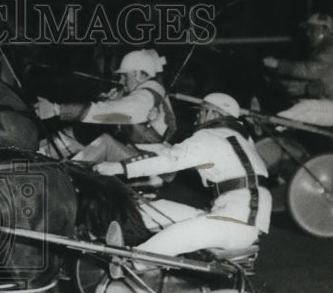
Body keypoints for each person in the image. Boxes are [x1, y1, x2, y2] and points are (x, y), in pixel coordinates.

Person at [94, 93, 270, 259]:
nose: (197, 117)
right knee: (153, 209)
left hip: (238, 222)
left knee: (177, 234)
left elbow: (171, 159)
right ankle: (130, 246)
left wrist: (119, 167)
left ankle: (129, 263)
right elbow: (171, 153)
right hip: (233, 215)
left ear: (213, 113)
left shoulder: (212, 136)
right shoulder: (237, 139)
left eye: (201, 112)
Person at [34, 48, 176, 160]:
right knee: (87, 129)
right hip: (136, 150)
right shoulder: (145, 90)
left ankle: (71, 181)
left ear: (139, 74)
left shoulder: (145, 98)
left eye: (124, 76)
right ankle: (40, 151)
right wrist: (107, 99)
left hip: (152, 163)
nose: (121, 81)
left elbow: (107, 113)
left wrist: (57, 109)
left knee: (104, 142)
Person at [262, 13, 333, 127]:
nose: (308, 34)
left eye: (312, 30)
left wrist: (278, 64)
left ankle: (269, 130)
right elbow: (302, 84)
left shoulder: (332, 48)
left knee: (294, 114)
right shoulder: (323, 50)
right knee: (293, 112)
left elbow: (309, 71)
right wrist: (276, 81)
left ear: (324, 29)